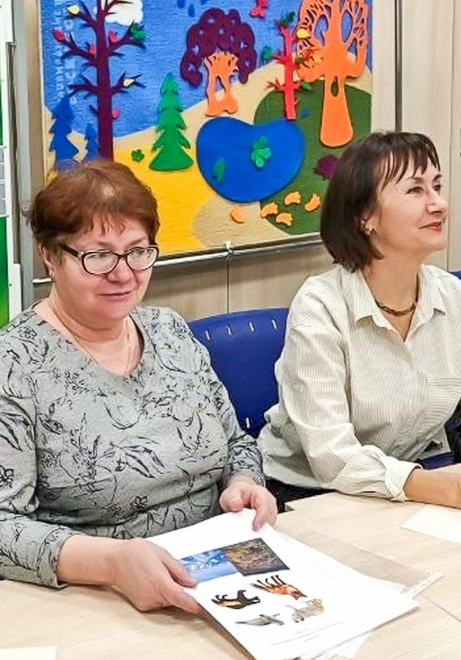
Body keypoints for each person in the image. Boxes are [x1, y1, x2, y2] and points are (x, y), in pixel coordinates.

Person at [0, 160, 277, 612]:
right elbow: (2, 526)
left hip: (218, 572)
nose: (124, 273)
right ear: (50, 255)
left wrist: (244, 482)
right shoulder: (13, 364)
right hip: (97, 598)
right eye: (99, 256)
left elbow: (235, 443)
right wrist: (111, 564)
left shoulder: (170, 332)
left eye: (137, 252)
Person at [257, 131, 461, 519]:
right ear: (363, 216)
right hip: (310, 495)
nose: (439, 204)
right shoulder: (320, 306)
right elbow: (333, 457)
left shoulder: (456, 297)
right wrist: (460, 490)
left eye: (437, 187)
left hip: (410, 486)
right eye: (415, 190)